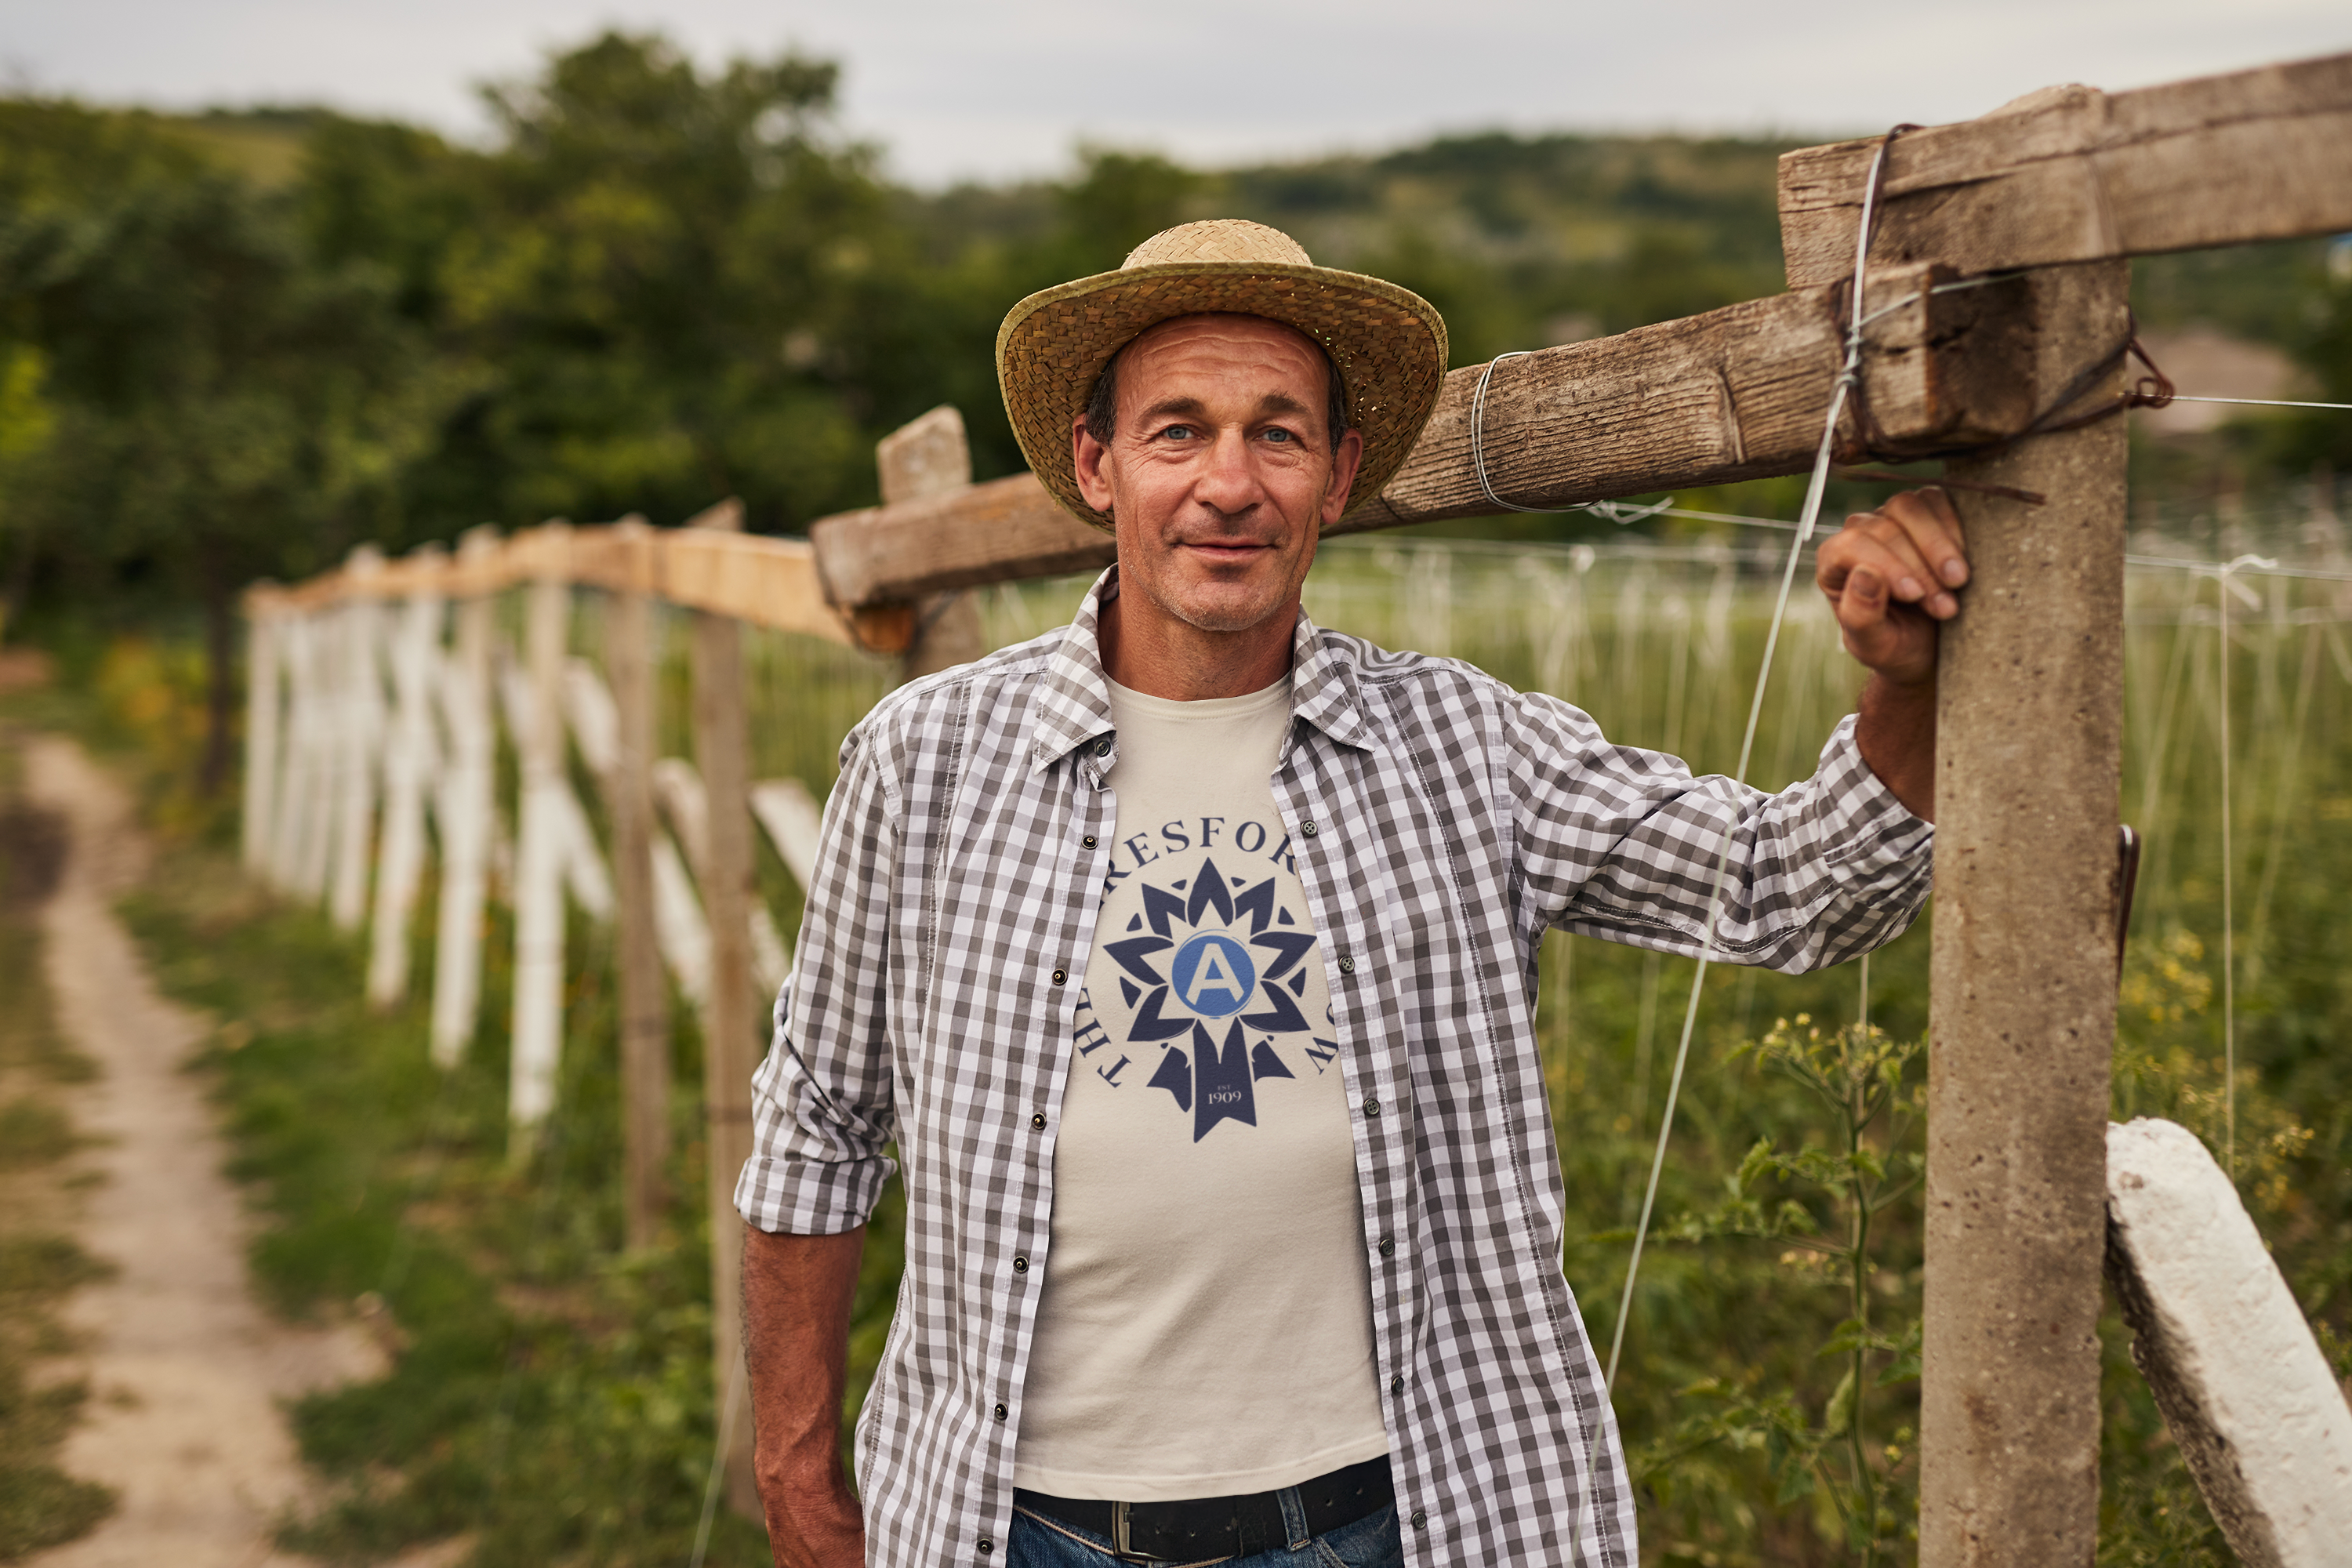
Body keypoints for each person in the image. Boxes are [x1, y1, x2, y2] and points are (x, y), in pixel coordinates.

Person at [737, 220, 1967, 1568]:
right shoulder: (929, 759)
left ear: (1338, 475)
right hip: (1008, 1522)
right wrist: (801, 1485)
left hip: (1382, 1518)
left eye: (1277, 434)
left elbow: (1789, 888)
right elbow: (819, 1126)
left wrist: (1904, 685)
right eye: (1176, 431)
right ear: (1096, 466)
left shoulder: (1466, 748)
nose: (1228, 483)